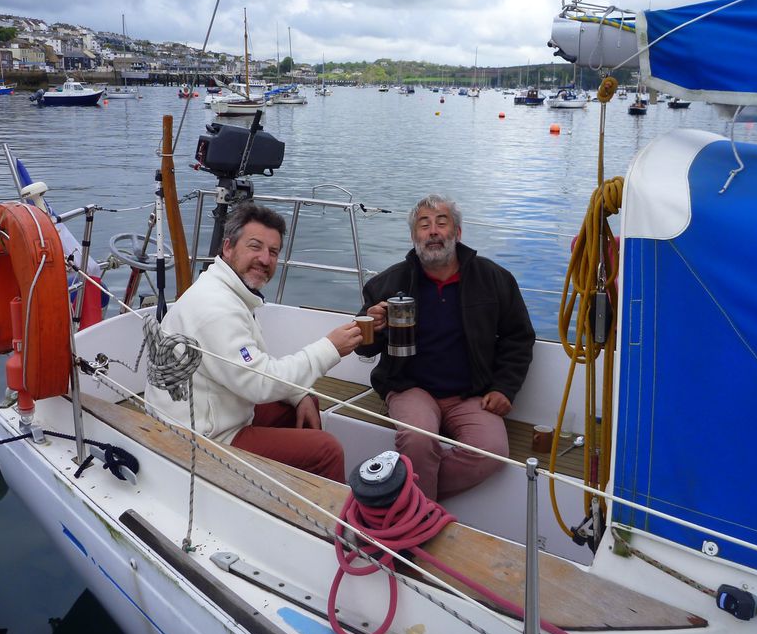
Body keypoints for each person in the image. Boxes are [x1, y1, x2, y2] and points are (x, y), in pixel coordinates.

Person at [147, 203, 363, 482]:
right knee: (327, 450)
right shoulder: (216, 308)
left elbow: (252, 369)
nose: (265, 258)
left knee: (295, 408)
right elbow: (259, 383)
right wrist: (330, 348)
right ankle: (321, 523)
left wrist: (300, 395)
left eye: (273, 252)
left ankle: (282, 495)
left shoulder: (227, 292)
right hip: (198, 438)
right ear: (228, 248)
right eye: (255, 246)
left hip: (209, 412)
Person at [357, 193, 535, 499]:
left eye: (442, 222)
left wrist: (505, 388)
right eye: (424, 225)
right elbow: (363, 349)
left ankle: (402, 500)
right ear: (414, 236)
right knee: (417, 439)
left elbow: (518, 337)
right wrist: (371, 326)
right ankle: (417, 514)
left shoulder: (494, 279)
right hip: (410, 388)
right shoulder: (387, 283)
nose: (433, 231)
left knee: (493, 450)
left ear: (458, 233)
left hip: (472, 393)